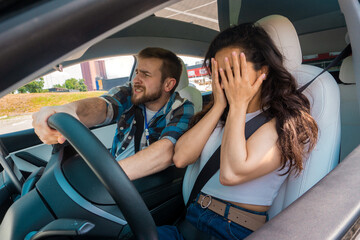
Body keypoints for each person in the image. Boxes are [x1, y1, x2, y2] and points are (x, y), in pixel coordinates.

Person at [157, 23, 318, 239]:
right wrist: (218, 107)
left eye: (234, 71)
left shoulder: (283, 123)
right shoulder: (222, 117)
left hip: (232, 230)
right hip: (192, 221)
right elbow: (181, 157)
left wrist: (239, 105)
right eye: (219, 74)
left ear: (263, 71)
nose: (226, 81)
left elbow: (231, 173)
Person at [32, 47, 194, 180]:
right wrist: (70, 110)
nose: (136, 79)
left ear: (168, 84)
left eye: (145, 75)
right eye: (137, 72)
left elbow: (165, 151)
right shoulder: (130, 93)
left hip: (146, 183)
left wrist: (105, 177)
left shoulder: (182, 108)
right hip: (116, 175)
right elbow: (104, 106)